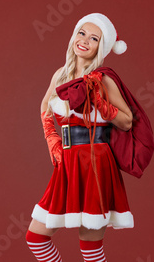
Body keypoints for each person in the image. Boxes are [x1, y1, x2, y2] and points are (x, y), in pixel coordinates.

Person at [25, 13, 134, 262]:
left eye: (94, 38)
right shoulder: (60, 75)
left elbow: (127, 122)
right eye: (81, 33)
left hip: (95, 161)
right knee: (36, 236)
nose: (84, 40)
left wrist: (100, 102)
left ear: (101, 46)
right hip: (67, 161)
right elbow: (45, 106)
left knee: (90, 247)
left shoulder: (104, 79)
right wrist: (51, 138)